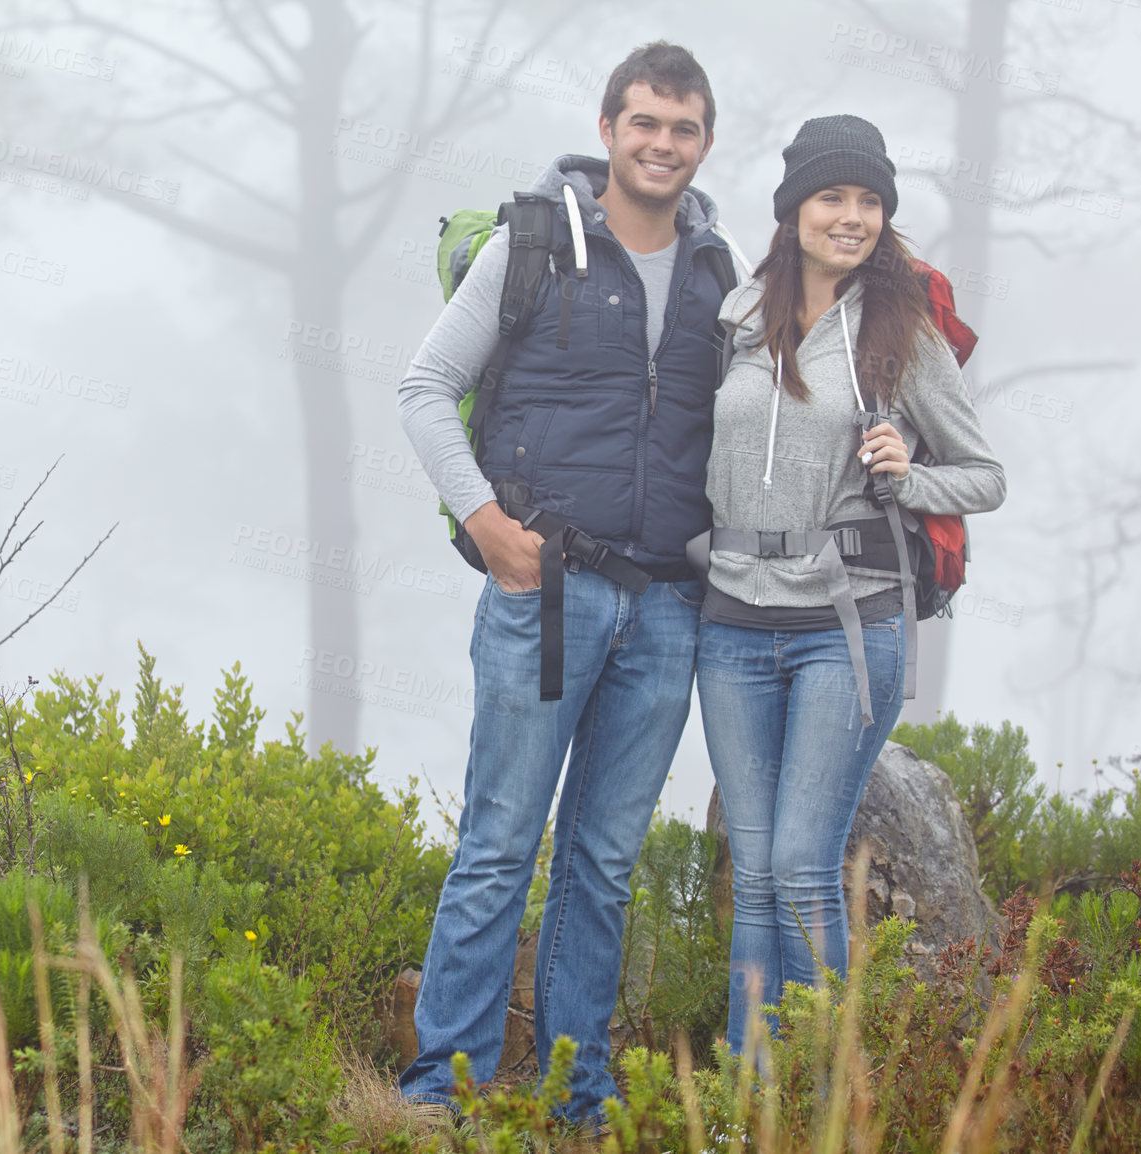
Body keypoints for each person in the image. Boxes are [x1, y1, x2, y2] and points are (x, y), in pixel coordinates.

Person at [394, 43, 734, 1124]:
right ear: (607, 127)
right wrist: (486, 522)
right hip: (545, 593)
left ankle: (576, 1103)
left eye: (681, 129)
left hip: (667, 607)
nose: (661, 144)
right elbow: (424, 384)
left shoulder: (720, 274)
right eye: (643, 123)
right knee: (498, 846)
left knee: (603, 864)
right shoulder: (533, 243)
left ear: (704, 142)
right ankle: (437, 1087)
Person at [692, 115, 1006, 1057]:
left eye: (870, 201)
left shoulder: (900, 328)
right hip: (732, 624)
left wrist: (910, 478)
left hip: (847, 621)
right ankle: (759, 1102)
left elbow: (985, 475)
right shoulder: (736, 318)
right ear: (793, 211)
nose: (853, 217)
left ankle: (832, 1099)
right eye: (834, 197)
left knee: (799, 867)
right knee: (754, 874)